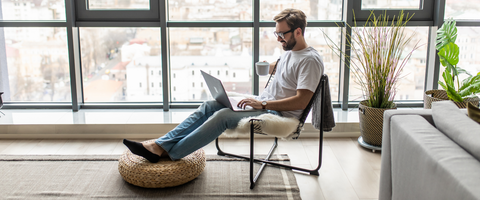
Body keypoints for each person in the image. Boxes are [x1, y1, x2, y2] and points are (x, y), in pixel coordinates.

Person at [123, 8, 324, 163]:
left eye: (282, 34)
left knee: (222, 117)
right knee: (210, 105)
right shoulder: (289, 52)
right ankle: (160, 144)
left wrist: (262, 106)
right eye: (276, 33)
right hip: (264, 103)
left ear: (298, 32)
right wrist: (268, 68)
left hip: (279, 114)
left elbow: (302, 100)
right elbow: (284, 70)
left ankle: (170, 153)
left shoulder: (310, 61)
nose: (278, 38)